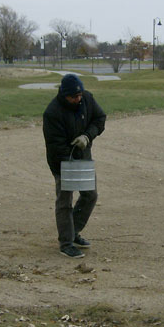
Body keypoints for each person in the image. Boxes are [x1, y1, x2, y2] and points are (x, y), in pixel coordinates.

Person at [43, 74, 106, 258]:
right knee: (64, 201)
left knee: (90, 195)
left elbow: (100, 119)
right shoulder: (52, 112)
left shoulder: (87, 98)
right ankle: (66, 243)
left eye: (80, 95)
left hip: (83, 156)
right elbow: (55, 145)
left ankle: (73, 232)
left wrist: (87, 136)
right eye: (74, 97)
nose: (78, 99)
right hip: (62, 161)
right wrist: (72, 159)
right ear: (65, 95)